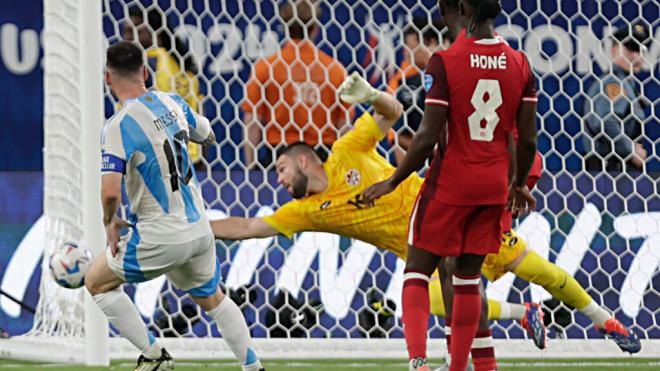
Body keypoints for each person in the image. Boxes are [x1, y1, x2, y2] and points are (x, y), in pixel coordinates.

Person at [212, 71, 544, 349]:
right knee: (446, 300)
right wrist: (198, 229)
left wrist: (371, 95)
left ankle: (592, 314)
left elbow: (393, 111)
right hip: (420, 251)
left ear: (303, 161)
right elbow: (247, 227)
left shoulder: (347, 150)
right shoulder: (304, 211)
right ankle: (522, 314)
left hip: (445, 214)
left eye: (282, 169)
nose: (280, 180)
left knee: (533, 272)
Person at [362, 0, 542, 368]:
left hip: (450, 184)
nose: (442, 15)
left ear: (460, 8)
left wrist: (394, 181)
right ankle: (459, 366)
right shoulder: (520, 63)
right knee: (466, 280)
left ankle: (418, 361)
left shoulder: (445, 61)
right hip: (494, 186)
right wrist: (519, 182)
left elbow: (427, 136)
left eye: (443, 8)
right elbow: (526, 140)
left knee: (416, 269)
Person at [84, 41, 264, 371]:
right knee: (214, 299)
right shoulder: (173, 102)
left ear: (107, 79)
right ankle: (253, 367)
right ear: (146, 72)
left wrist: (110, 222)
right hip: (198, 230)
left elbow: (110, 192)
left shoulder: (118, 127)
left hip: (159, 236)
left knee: (96, 282)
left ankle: (155, 358)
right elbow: (207, 134)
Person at [242, 0, 352, 168]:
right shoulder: (335, 70)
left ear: (285, 28)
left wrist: (250, 168)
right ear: (315, 28)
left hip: (279, 157)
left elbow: (252, 123)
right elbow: (344, 126)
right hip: (322, 157)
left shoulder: (265, 68)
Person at [123, 5, 206, 168]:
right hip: (191, 158)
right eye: (126, 31)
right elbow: (200, 114)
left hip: (158, 161)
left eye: (136, 32)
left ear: (157, 34)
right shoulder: (182, 65)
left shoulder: (145, 63)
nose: (127, 37)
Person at [582, 24, 650, 172]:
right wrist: (631, 151)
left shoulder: (627, 84)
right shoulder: (615, 82)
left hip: (615, 174)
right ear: (613, 50)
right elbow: (606, 121)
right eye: (630, 48)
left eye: (641, 49)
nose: (636, 55)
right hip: (610, 174)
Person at [388, 18, 446, 163]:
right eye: (405, 45)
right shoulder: (402, 81)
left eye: (410, 44)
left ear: (431, 43)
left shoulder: (450, 75)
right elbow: (396, 135)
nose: (406, 50)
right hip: (414, 159)